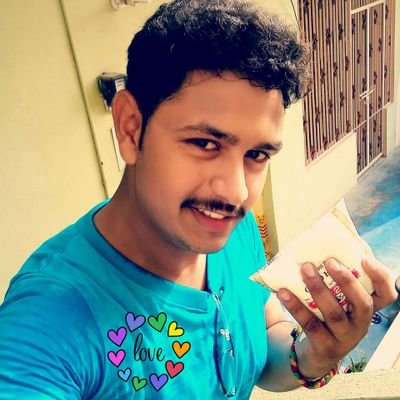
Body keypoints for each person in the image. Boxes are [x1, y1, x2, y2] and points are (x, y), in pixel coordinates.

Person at [0, 0, 396, 398]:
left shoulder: (235, 230)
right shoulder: (45, 327)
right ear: (130, 128)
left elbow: (264, 333)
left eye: (257, 154)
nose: (237, 192)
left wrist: (316, 352)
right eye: (205, 143)